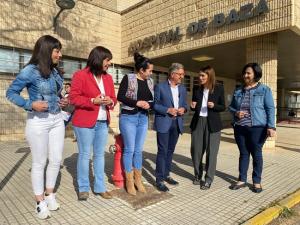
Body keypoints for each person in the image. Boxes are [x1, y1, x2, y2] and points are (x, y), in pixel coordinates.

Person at [6, 35, 67, 219]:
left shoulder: (55, 72)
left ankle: (49, 195)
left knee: (56, 159)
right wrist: (29, 104)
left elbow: (56, 93)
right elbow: (11, 93)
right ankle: (39, 202)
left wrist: (61, 100)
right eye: (57, 51)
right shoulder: (30, 71)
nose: (60, 55)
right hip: (38, 121)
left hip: (57, 119)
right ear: (47, 51)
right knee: (39, 162)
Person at [69, 46, 117, 201]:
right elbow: (73, 98)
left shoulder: (108, 78)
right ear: (98, 58)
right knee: (84, 155)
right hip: (84, 121)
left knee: (99, 155)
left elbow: (114, 99)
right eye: (107, 60)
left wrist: (110, 101)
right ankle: (83, 188)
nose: (109, 63)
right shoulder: (80, 75)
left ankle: (100, 187)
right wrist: (92, 101)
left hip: (103, 122)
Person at [229, 62, 276, 193]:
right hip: (240, 127)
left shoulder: (264, 90)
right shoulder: (238, 90)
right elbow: (231, 107)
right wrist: (236, 113)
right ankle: (242, 179)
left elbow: (270, 108)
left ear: (256, 74)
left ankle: (256, 181)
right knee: (243, 153)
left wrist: (271, 126)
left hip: (258, 128)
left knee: (256, 154)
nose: (245, 75)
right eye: (244, 73)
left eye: (248, 73)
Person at [117, 52, 154, 195]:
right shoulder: (128, 78)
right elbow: (120, 97)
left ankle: (138, 180)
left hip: (143, 118)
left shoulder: (150, 82)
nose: (151, 73)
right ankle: (129, 182)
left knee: (139, 150)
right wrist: (137, 102)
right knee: (129, 150)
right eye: (149, 70)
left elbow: (153, 100)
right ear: (141, 70)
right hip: (128, 118)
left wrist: (148, 105)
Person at [153, 63, 188, 192]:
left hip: (177, 123)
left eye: (182, 74)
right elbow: (155, 105)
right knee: (162, 151)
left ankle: (167, 175)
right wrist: (167, 109)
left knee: (170, 151)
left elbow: (185, 104)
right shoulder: (160, 87)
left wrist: (183, 109)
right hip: (164, 122)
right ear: (172, 74)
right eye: (180, 74)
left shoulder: (182, 89)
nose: (182, 77)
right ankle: (159, 180)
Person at [190, 66, 225, 190]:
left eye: (202, 76)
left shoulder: (219, 88)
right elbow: (193, 105)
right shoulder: (196, 89)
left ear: (209, 76)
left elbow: (223, 107)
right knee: (196, 151)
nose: (200, 78)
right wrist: (192, 106)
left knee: (212, 153)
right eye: (199, 76)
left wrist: (214, 105)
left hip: (213, 124)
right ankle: (197, 175)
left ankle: (208, 178)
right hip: (198, 122)